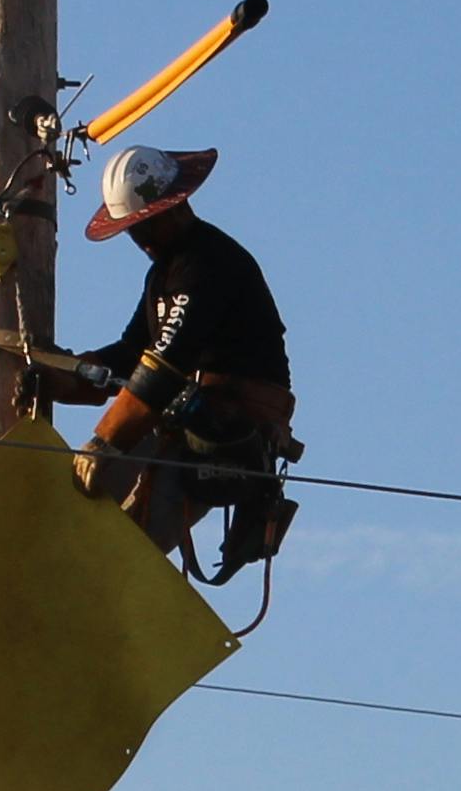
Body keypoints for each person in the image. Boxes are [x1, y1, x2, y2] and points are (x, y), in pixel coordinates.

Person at [35, 143, 296, 581]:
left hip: (222, 424)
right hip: (177, 413)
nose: (141, 239)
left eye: (147, 225)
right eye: (135, 229)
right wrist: (61, 378)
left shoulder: (206, 263)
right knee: (75, 507)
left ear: (177, 206)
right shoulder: (165, 272)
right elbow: (134, 352)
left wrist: (104, 442)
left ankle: (95, 614)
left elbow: (162, 364)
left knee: (124, 550)